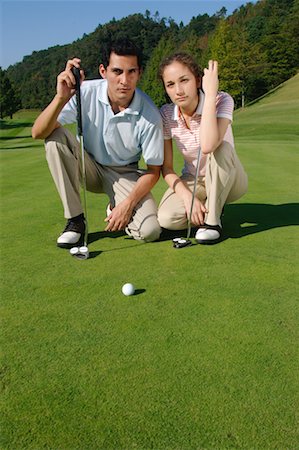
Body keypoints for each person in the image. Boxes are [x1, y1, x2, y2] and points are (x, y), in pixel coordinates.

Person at [32, 39, 164, 248]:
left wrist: (127, 205)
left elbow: (154, 171)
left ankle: (115, 206)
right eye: (117, 71)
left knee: (150, 231)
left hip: (124, 175)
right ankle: (75, 221)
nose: (124, 80)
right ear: (103, 71)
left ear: (139, 73)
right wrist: (61, 98)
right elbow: (38, 132)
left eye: (131, 72)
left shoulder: (150, 114)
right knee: (54, 138)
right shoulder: (84, 93)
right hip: (87, 166)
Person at [157, 53, 248, 244]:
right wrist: (187, 197)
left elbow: (208, 145)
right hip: (194, 179)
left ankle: (212, 222)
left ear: (198, 80)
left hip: (229, 178)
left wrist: (210, 94)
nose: (179, 90)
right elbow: (167, 169)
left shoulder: (221, 100)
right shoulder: (166, 114)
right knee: (166, 218)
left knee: (221, 147)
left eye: (184, 80)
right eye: (170, 84)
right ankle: (210, 205)